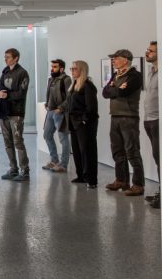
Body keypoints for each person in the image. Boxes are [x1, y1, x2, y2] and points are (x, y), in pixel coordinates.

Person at [103, 49, 145, 196]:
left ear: (125, 60)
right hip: (114, 116)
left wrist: (114, 89)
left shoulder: (135, 76)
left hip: (129, 117)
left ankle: (138, 185)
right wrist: (114, 88)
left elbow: (123, 92)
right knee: (117, 151)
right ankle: (121, 180)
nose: (113, 61)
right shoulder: (116, 75)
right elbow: (104, 93)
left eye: (116, 58)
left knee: (132, 151)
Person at [0, 48, 31, 181]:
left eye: (8, 57)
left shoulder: (23, 73)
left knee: (18, 142)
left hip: (16, 113)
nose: (5, 59)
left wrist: (6, 94)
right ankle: (13, 169)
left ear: (16, 58)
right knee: (7, 142)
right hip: (4, 112)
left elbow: (21, 93)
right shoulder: (5, 72)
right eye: (5, 57)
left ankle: (24, 170)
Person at [66, 60, 99, 189]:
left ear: (82, 70)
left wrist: (84, 120)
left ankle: (91, 179)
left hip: (83, 123)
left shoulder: (87, 86)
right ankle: (81, 176)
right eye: (71, 68)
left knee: (87, 151)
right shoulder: (74, 85)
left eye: (75, 69)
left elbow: (91, 107)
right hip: (74, 123)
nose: (72, 71)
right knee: (77, 151)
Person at [42, 59, 72, 173]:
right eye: (52, 66)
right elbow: (50, 94)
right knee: (47, 135)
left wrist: (61, 108)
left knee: (63, 139)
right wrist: (46, 103)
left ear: (61, 68)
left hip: (61, 113)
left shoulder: (66, 79)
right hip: (50, 111)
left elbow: (70, 96)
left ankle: (63, 165)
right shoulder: (51, 79)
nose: (52, 68)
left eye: (55, 66)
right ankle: (54, 161)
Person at [142, 42, 159, 207]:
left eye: (151, 51)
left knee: (160, 158)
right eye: (147, 50)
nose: (147, 53)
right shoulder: (151, 71)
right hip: (149, 119)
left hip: (158, 120)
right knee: (157, 156)